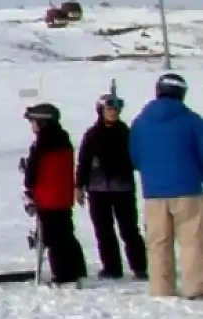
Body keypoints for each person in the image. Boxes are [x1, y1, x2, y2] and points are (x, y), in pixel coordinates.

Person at [128, 72, 203, 298]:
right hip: (188, 190)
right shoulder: (192, 121)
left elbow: (135, 157)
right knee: (192, 242)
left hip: (154, 193)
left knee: (158, 243)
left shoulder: (140, 123)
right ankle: (194, 287)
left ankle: (161, 289)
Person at [76, 93, 147, 280]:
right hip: (98, 190)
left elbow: (137, 158)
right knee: (104, 230)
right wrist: (79, 186)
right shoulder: (92, 135)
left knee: (129, 229)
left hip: (122, 189)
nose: (113, 112)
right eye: (109, 109)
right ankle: (112, 267)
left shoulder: (126, 133)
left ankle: (139, 266)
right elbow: (83, 162)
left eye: (116, 109)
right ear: (101, 111)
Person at [22, 103, 87, 286]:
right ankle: (77, 269)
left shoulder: (42, 143)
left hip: (47, 197)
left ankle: (62, 274)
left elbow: (32, 175)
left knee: (53, 238)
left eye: (33, 122)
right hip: (63, 196)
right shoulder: (63, 138)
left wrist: (28, 181)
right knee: (66, 233)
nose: (32, 126)